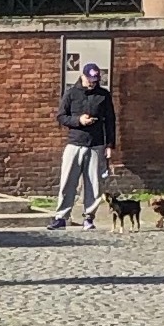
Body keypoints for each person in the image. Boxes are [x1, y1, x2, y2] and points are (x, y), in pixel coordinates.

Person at [51, 62, 116, 229]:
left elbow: (110, 121)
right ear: (83, 76)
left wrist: (109, 144)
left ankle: (89, 217)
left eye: (95, 80)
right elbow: (61, 116)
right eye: (90, 79)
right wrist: (78, 120)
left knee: (94, 184)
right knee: (68, 181)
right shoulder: (71, 93)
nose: (92, 83)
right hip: (75, 142)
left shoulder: (103, 95)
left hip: (96, 144)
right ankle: (61, 217)